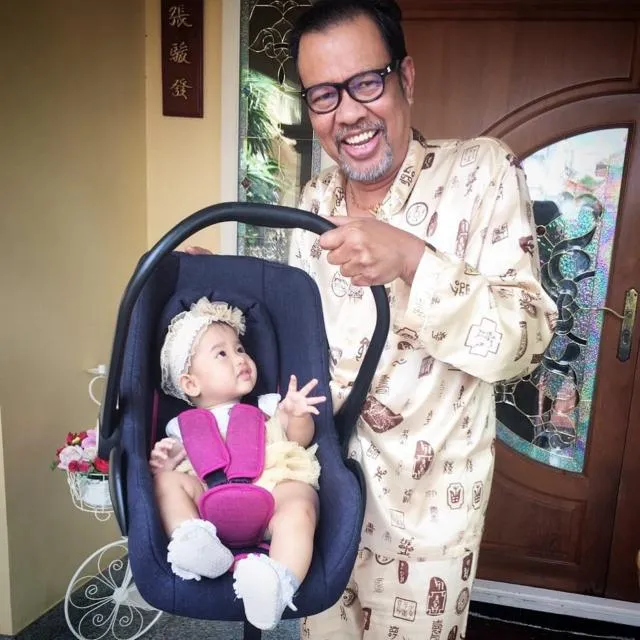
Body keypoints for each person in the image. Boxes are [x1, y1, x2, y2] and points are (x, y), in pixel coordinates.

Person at [283, 0, 558, 637]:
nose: (347, 113)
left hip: (428, 518)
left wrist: (413, 260)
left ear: (405, 78)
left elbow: (527, 339)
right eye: (323, 95)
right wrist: (216, 292)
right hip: (321, 498)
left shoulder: (483, 173)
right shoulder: (314, 201)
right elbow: (295, 337)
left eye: (365, 83)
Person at [149, 297, 325, 630]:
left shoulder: (268, 406)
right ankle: (194, 543)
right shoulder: (180, 427)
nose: (240, 358)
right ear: (191, 383)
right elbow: (173, 469)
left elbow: (298, 440)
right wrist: (163, 464)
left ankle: (276, 584)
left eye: (240, 348)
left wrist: (297, 415)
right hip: (207, 502)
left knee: (301, 500)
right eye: (222, 354)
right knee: (165, 484)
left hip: (269, 493)